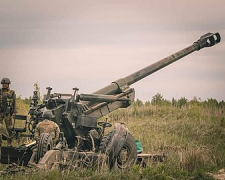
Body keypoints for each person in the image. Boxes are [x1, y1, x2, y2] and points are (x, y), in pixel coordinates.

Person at [0, 78, 16, 146]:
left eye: (6, 84)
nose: (4, 85)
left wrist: (14, 112)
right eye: (3, 84)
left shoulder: (11, 92)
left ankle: (9, 143)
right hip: (0, 112)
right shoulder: (0, 91)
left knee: (9, 128)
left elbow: (14, 103)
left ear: (8, 84)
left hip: (8, 113)